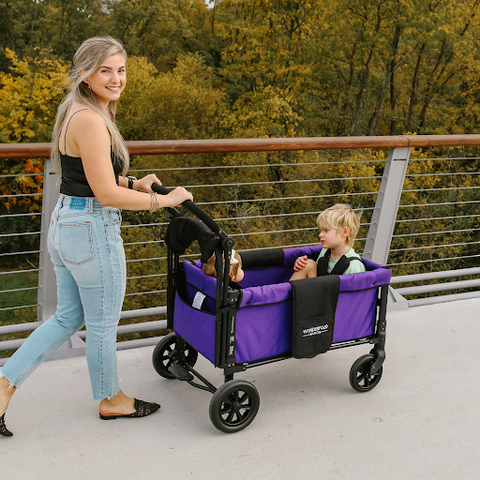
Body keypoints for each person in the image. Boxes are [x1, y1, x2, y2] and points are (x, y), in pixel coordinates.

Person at [0, 36, 193, 437]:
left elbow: (88, 178)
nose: (116, 78)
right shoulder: (90, 119)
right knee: (102, 325)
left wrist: (135, 183)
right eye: (105, 70)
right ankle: (111, 400)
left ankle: (2, 384)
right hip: (91, 230)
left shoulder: (76, 109)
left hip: (67, 224)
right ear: (85, 73)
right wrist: (165, 201)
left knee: (68, 317)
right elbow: (104, 195)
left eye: (120, 70)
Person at [289, 203, 366, 281]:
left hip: (335, 292)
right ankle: (285, 293)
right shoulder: (325, 252)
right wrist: (300, 263)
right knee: (307, 264)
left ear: (345, 232)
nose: (320, 235)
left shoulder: (354, 266)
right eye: (320, 231)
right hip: (321, 289)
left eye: (326, 230)